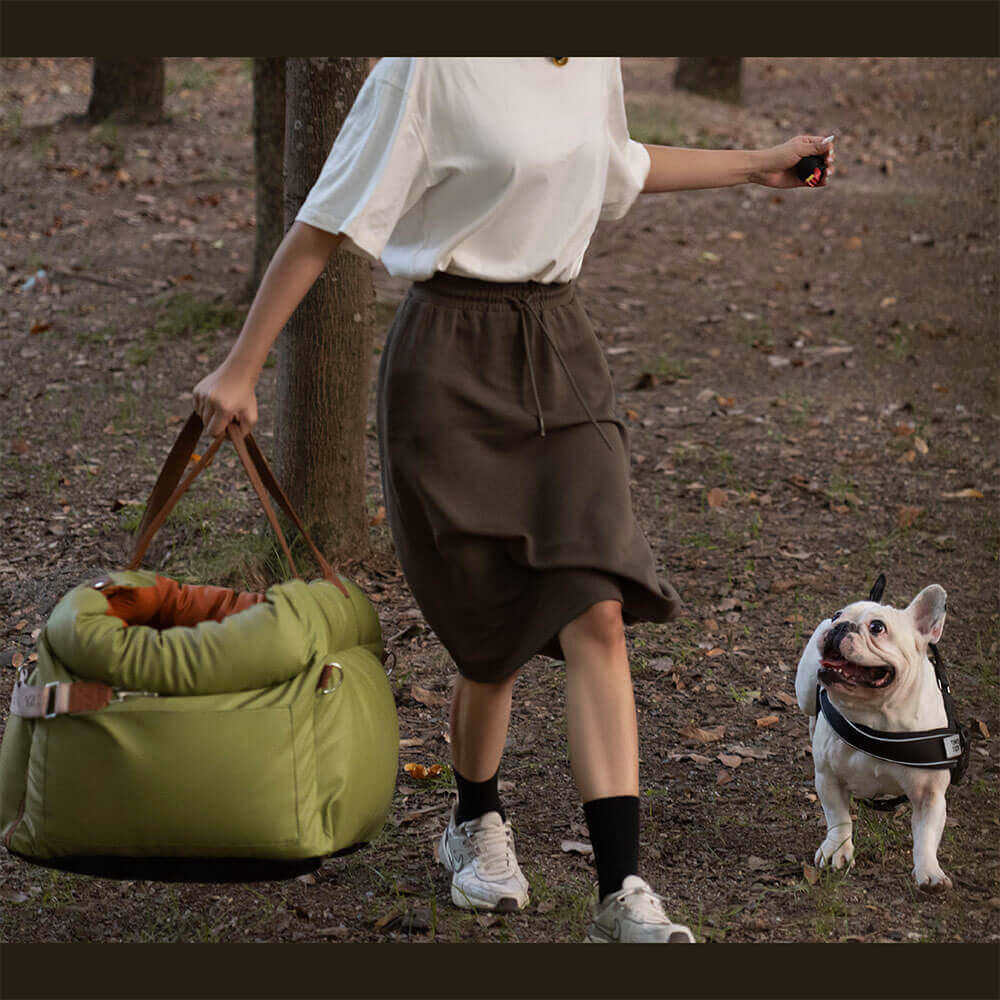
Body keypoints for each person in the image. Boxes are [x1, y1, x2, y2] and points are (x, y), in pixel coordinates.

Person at [193, 57, 834, 944]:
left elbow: (615, 162)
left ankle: (621, 889)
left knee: (596, 608)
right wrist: (241, 366)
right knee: (488, 628)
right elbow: (326, 219)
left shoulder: (591, 59)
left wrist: (757, 162)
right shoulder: (428, 65)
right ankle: (474, 822)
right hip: (448, 362)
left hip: (561, 349)